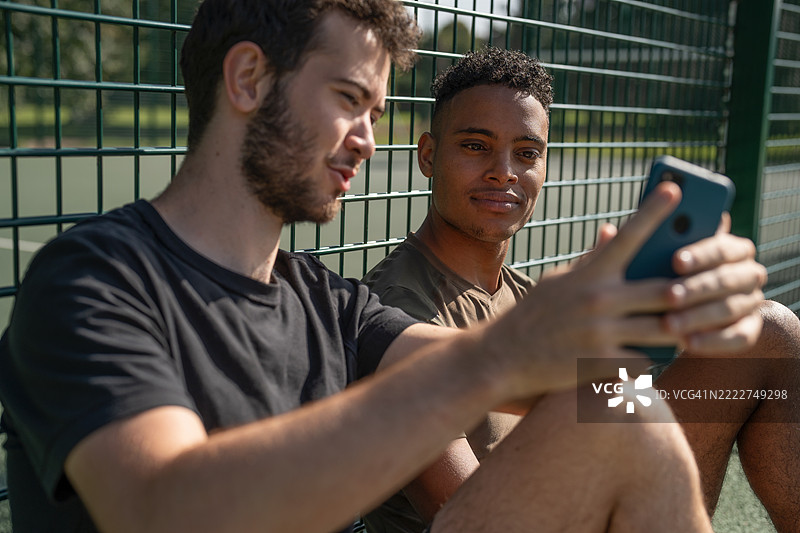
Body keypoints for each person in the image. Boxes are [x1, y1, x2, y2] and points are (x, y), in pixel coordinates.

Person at [0, 3, 767, 533]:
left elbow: (520, 372)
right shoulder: (92, 280)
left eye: (377, 111)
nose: (368, 138)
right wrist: (505, 352)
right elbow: (164, 506)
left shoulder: (329, 306)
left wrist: (648, 314)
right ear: (247, 79)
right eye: (348, 98)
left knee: (631, 409)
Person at [363, 47, 799, 533]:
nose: (504, 171)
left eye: (527, 153)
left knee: (767, 331)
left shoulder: (529, 297)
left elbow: (619, 411)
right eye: (475, 145)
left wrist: (636, 332)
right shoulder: (391, 312)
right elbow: (465, 517)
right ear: (428, 155)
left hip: (575, 501)